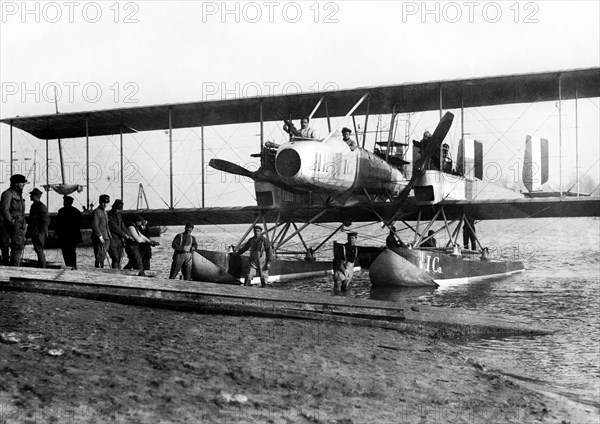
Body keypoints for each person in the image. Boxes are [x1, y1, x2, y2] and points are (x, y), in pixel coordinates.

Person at [1, 174, 28, 266]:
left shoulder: (18, 194)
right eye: (22, 183)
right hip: (14, 224)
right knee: (16, 246)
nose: (23, 185)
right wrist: (12, 221)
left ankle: (15, 266)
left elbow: (22, 212)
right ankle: (14, 268)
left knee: (19, 246)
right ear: (16, 183)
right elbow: (5, 209)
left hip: (20, 224)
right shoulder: (8, 194)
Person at [56, 196, 83, 269]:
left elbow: (58, 225)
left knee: (66, 253)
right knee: (72, 252)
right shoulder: (76, 211)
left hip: (64, 237)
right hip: (73, 237)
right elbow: (81, 224)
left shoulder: (61, 211)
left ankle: (68, 266)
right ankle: (73, 266)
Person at [26, 188, 50, 268]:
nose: (30, 196)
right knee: (38, 249)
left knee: (39, 250)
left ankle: (43, 268)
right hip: (36, 232)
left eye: (32, 195)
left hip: (39, 232)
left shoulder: (40, 206)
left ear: (36, 196)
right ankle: (42, 266)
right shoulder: (35, 206)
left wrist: (42, 231)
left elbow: (46, 220)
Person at [107, 199, 132, 269]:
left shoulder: (119, 215)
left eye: (119, 209)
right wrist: (125, 235)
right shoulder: (109, 216)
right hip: (112, 241)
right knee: (115, 258)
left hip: (119, 241)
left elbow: (122, 226)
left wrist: (129, 235)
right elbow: (114, 228)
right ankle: (115, 273)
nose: (118, 211)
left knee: (120, 258)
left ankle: (118, 272)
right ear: (113, 207)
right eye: (117, 209)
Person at [91, 194, 111, 268]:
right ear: (99, 202)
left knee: (103, 256)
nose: (105, 204)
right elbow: (94, 225)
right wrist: (100, 236)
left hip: (106, 237)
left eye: (106, 203)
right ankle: (98, 271)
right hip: (99, 238)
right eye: (103, 202)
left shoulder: (105, 212)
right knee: (99, 256)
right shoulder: (96, 212)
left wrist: (109, 236)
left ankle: (101, 269)